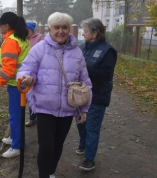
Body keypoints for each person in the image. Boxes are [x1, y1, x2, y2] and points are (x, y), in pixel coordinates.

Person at [16, 12, 92, 178]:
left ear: (69, 29)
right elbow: (26, 69)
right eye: (56, 27)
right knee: (46, 147)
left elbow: (85, 81)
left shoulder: (77, 52)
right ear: (50, 29)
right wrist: (26, 79)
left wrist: (84, 109)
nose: (61, 31)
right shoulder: (40, 48)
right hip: (44, 106)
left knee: (58, 145)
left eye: (64, 27)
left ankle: (50, 172)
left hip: (67, 108)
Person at [0, 12, 30, 158]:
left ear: (7, 25)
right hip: (21, 83)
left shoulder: (11, 41)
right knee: (15, 114)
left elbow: (8, 70)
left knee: (16, 116)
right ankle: (14, 138)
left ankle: (17, 146)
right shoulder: (19, 37)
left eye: (0, 26)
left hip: (17, 85)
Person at [76, 18, 117, 171]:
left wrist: (85, 72)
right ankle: (83, 144)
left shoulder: (108, 50)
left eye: (85, 31)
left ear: (94, 33)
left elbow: (106, 74)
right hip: (80, 94)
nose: (83, 33)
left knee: (92, 126)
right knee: (80, 121)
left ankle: (89, 159)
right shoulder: (82, 47)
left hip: (98, 95)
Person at [25, 21, 45, 127]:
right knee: (29, 96)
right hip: (26, 70)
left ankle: (37, 116)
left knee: (36, 95)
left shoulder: (40, 38)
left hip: (38, 70)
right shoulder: (23, 39)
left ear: (31, 30)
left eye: (27, 30)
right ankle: (32, 117)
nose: (25, 32)